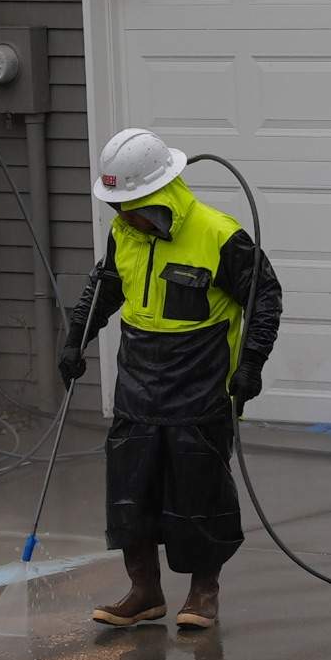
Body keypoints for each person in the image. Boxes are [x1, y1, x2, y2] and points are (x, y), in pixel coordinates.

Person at [58, 128, 282, 632]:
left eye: (127, 204)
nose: (119, 214)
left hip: (200, 380)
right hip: (138, 376)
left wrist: (251, 366)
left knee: (197, 489)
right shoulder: (126, 234)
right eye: (115, 205)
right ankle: (144, 591)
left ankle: (203, 593)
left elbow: (264, 299)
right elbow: (105, 288)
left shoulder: (218, 235)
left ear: (155, 193)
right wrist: (76, 337)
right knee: (130, 488)